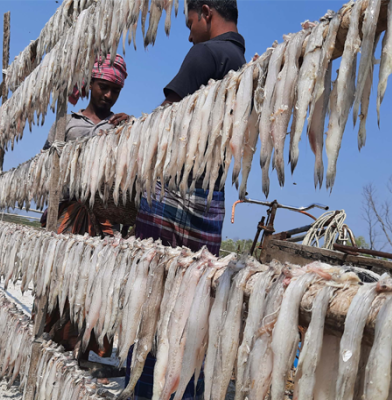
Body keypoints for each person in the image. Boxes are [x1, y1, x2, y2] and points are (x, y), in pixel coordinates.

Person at [127, 1, 246, 399]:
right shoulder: (242, 63)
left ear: (207, 12)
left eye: (190, 20)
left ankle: (146, 387)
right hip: (210, 193)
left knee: (154, 294)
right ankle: (187, 391)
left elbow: (168, 117)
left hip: (176, 189)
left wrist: (133, 131)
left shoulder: (206, 53)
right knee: (194, 296)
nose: (188, 30)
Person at [41, 53, 130, 237]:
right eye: (103, 87)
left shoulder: (120, 125)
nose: (108, 95)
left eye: (115, 91)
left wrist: (133, 128)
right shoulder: (66, 123)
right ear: (90, 84)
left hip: (105, 214)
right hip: (66, 208)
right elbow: (44, 163)